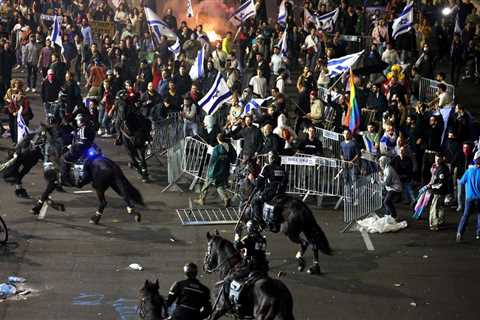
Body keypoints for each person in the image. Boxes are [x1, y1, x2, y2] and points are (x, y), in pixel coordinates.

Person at [195, 133, 236, 207]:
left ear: (218, 139)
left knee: (206, 184)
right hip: (225, 169)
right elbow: (234, 156)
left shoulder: (217, 148)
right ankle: (225, 198)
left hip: (215, 169)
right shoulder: (230, 146)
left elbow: (213, 160)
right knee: (219, 184)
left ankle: (202, 199)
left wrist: (209, 168)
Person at [250, 152, 287, 224]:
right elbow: (285, 181)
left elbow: (259, 182)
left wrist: (252, 180)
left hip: (270, 193)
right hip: (281, 193)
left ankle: (258, 220)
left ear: (272, 159)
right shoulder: (282, 168)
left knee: (255, 201)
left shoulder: (267, 167)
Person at [61, 114, 96, 185]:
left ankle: (65, 178)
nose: (76, 122)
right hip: (90, 148)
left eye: (77, 121)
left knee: (64, 158)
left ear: (80, 121)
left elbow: (82, 142)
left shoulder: (83, 129)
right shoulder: (89, 128)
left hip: (80, 149)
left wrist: (72, 146)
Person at [456, 151, 480, 242]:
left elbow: (461, 182)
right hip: (479, 198)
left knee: (465, 215)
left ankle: (459, 232)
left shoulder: (469, 171)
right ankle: (478, 234)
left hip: (469, 197)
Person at [428, 153, 452, 231]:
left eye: (438, 159)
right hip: (443, 191)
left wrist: (431, 186)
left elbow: (440, 183)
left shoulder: (441, 169)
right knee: (441, 207)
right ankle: (441, 221)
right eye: (436, 159)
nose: (437, 161)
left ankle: (434, 224)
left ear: (442, 159)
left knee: (434, 208)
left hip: (438, 192)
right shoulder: (443, 167)